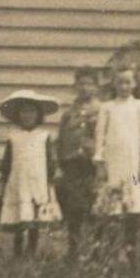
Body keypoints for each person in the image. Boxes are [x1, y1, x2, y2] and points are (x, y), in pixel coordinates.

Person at [94, 66, 140, 263]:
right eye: (120, 82)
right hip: (113, 164)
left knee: (134, 203)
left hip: (134, 167)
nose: (124, 86)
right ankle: (109, 253)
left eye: (128, 82)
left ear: (134, 84)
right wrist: (99, 162)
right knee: (112, 207)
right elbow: (100, 136)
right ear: (114, 84)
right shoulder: (107, 107)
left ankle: (132, 253)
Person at [0, 90, 62, 258]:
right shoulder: (13, 137)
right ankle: (17, 252)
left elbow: (49, 162)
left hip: (38, 182)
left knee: (35, 218)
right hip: (18, 182)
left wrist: (49, 181)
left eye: (32, 111)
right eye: (24, 111)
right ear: (18, 115)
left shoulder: (43, 136)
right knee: (20, 217)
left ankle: (31, 252)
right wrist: (3, 186)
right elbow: (6, 164)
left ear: (38, 114)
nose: (28, 115)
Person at [55, 66, 101, 257]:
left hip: (94, 165)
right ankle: (73, 248)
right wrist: (61, 161)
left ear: (96, 87)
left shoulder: (103, 110)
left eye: (89, 84)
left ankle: (97, 251)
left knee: (95, 207)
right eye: (81, 83)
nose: (84, 88)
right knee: (73, 207)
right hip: (72, 164)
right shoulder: (69, 114)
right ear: (75, 86)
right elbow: (61, 139)